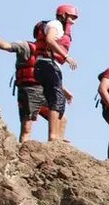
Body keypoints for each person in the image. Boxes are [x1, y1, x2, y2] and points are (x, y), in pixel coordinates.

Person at [0, 27, 73, 142]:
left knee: (61, 119)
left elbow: (52, 78)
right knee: (27, 127)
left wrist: (65, 92)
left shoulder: (50, 53)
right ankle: (23, 150)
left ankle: (57, 144)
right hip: (29, 90)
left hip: (44, 91)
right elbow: (6, 46)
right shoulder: (26, 46)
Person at [34, 5, 79, 142]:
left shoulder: (61, 27)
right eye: (71, 17)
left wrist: (64, 89)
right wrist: (66, 56)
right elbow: (49, 39)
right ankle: (53, 137)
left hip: (48, 66)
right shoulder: (56, 24)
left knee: (58, 100)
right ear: (63, 15)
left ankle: (58, 136)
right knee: (56, 100)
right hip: (47, 64)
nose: (73, 21)